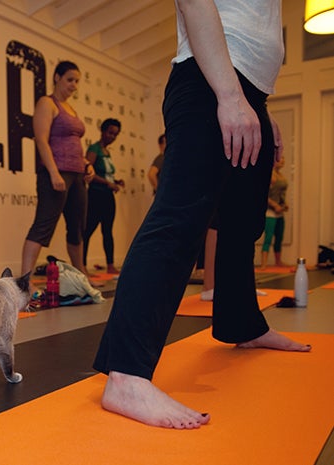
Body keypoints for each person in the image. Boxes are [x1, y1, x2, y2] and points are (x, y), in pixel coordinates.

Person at [93, 0, 310, 429]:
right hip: (209, 80)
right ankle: (126, 374)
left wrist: (259, 106)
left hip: (245, 89)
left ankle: (241, 323)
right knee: (178, 221)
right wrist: (230, 95)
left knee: (239, 224)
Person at [20, 61, 95, 292]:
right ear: (57, 77)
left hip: (77, 175)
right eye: (70, 79)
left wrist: (85, 164)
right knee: (43, 225)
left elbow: (73, 143)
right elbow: (42, 140)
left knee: (77, 228)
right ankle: (24, 280)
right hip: (56, 173)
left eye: (77, 81)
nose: (74, 85)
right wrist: (53, 172)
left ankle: (81, 275)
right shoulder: (47, 103)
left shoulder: (71, 109)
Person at [83, 118, 124, 275]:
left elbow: (106, 174)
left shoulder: (107, 152)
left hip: (107, 197)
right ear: (103, 131)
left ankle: (111, 265)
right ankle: (83, 265)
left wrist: (116, 181)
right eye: (110, 132)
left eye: (116, 134)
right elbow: (89, 172)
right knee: (87, 230)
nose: (112, 137)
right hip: (95, 195)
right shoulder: (94, 149)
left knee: (108, 231)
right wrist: (108, 183)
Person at [260, 155, 289, 269]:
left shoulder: (281, 175)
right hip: (270, 212)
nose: (283, 160)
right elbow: (264, 195)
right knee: (268, 237)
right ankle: (263, 264)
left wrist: (284, 203)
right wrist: (274, 205)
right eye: (280, 158)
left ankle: (278, 261)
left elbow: (281, 194)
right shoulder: (270, 175)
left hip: (280, 212)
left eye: (284, 158)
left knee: (279, 237)